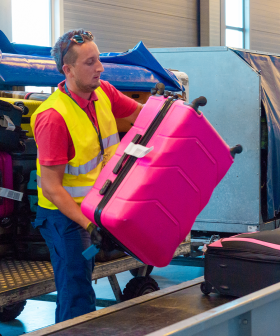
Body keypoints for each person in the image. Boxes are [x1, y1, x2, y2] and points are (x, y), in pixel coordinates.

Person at [30, 29, 142, 323]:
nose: (100, 68)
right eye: (90, 62)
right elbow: (52, 187)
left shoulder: (103, 91)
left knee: (83, 282)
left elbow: (143, 115)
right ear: (68, 70)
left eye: (99, 60)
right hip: (65, 216)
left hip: (96, 206)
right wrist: (90, 226)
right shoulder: (53, 117)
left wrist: (172, 113)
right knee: (77, 289)